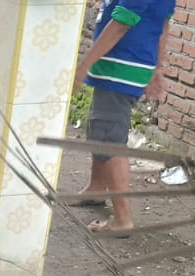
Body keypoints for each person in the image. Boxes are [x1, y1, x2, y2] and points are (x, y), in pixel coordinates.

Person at [70, 0, 176, 236]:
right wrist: (157, 68)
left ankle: (122, 219)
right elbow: (163, 23)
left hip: (121, 67)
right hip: (123, 66)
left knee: (108, 139)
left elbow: (121, 23)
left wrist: (84, 64)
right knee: (101, 129)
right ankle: (96, 188)